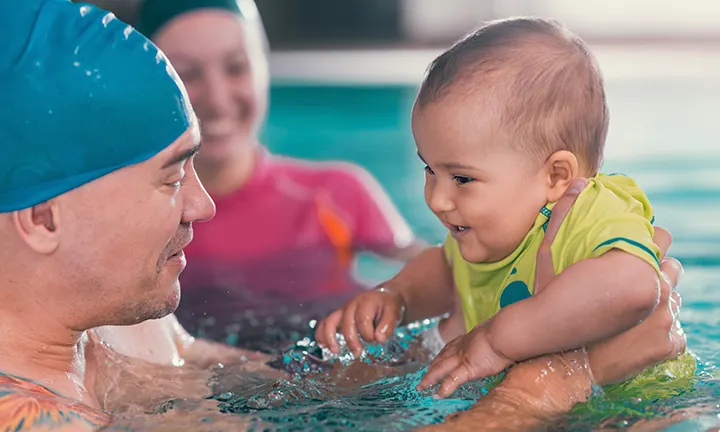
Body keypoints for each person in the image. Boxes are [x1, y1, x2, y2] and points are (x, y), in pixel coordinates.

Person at [0, 2, 688, 430]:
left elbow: (287, 392)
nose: (202, 204)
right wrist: (552, 385)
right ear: (42, 216)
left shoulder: (128, 331)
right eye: (171, 177)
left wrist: (431, 340)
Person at [317, 17, 695, 399]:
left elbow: (634, 287)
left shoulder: (585, 210)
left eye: (462, 178)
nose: (435, 199)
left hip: (640, 408)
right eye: (430, 169)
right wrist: (397, 297)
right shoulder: (487, 234)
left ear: (555, 176)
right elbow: (446, 268)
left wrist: (499, 340)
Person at [133, 0, 425, 342]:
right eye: (188, 75)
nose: (218, 98)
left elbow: (434, 269)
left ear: (264, 68)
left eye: (236, 67)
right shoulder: (137, 222)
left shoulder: (336, 193)